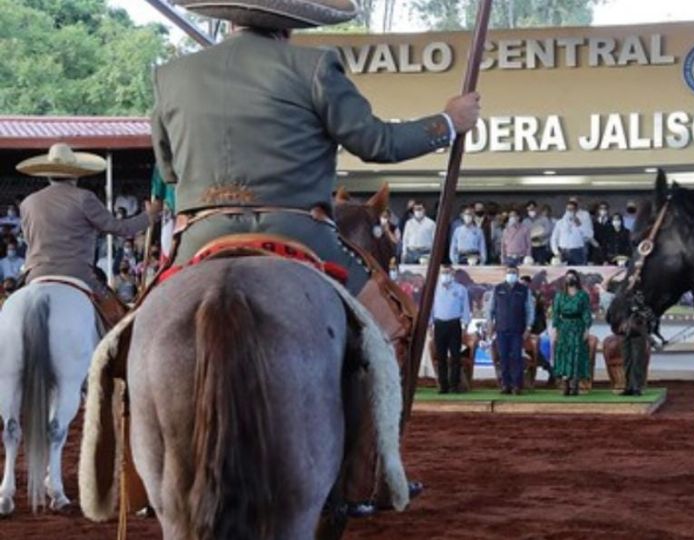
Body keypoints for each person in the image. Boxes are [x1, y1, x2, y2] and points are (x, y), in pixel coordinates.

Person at [151, 0, 481, 517]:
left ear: (230, 16)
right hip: (301, 234)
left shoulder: (171, 75)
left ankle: (128, 484)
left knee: (129, 341)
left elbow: (169, 171)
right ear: (291, 22)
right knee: (389, 331)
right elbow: (377, 142)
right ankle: (364, 478)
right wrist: (449, 122)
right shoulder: (314, 66)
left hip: (199, 239)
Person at [15, 143, 159, 320]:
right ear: (76, 173)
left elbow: (29, 240)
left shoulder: (27, 203)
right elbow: (120, 228)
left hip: (35, 274)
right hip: (78, 273)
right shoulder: (84, 198)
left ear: (47, 173)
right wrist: (149, 216)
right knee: (119, 320)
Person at [486, 265, 534, 395]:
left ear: (517, 275)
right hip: (501, 329)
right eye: (509, 272)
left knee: (517, 358)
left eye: (513, 272)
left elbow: (530, 310)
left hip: (518, 330)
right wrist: (490, 325)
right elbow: (490, 309)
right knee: (503, 358)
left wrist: (528, 327)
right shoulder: (498, 289)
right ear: (505, 274)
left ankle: (517, 386)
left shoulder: (524, 290)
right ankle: (505, 385)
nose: (511, 274)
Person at [430, 265, 471, 393]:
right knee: (441, 356)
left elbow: (465, 308)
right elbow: (430, 309)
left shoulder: (460, 289)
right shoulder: (434, 289)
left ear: (452, 274)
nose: (445, 274)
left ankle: (454, 385)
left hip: (454, 325)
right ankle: (443, 385)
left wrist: (465, 325)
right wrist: (431, 325)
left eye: (448, 272)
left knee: (455, 356)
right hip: (439, 325)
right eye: (443, 272)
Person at [552, 270, 593, 395]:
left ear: (577, 279)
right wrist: (555, 329)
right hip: (564, 328)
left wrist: (587, 329)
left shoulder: (582, 295)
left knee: (577, 354)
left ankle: (575, 385)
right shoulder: (560, 295)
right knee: (564, 354)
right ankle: (565, 385)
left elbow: (586, 312)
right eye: (568, 277)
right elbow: (555, 313)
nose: (570, 279)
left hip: (578, 327)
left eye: (572, 277)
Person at [609, 292, 653, 396]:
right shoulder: (618, 299)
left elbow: (648, 314)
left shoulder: (641, 296)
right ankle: (628, 386)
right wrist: (618, 324)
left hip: (637, 331)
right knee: (626, 360)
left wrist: (638, 316)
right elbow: (611, 314)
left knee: (637, 359)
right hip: (623, 332)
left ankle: (637, 387)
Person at [520, 274, 555, 384]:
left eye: (524, 283)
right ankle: (547, 370)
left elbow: (533, 313)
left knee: (533, 350)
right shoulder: (520, 294)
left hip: (534, 327)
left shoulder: (533, 295)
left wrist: (529, 328)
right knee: (530, 351)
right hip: (523, 327)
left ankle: (549, 370)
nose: (522, 285)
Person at [550, 200, 589, 265]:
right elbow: (554, 238)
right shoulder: (560, 223)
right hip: (563, 252)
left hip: (577, 252)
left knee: (579, 271)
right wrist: (556, 252)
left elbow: (588, 235)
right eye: (568, 209)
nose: (570, 211)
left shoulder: (583, 222)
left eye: (572, 209)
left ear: (576, 210)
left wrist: (580, 225)